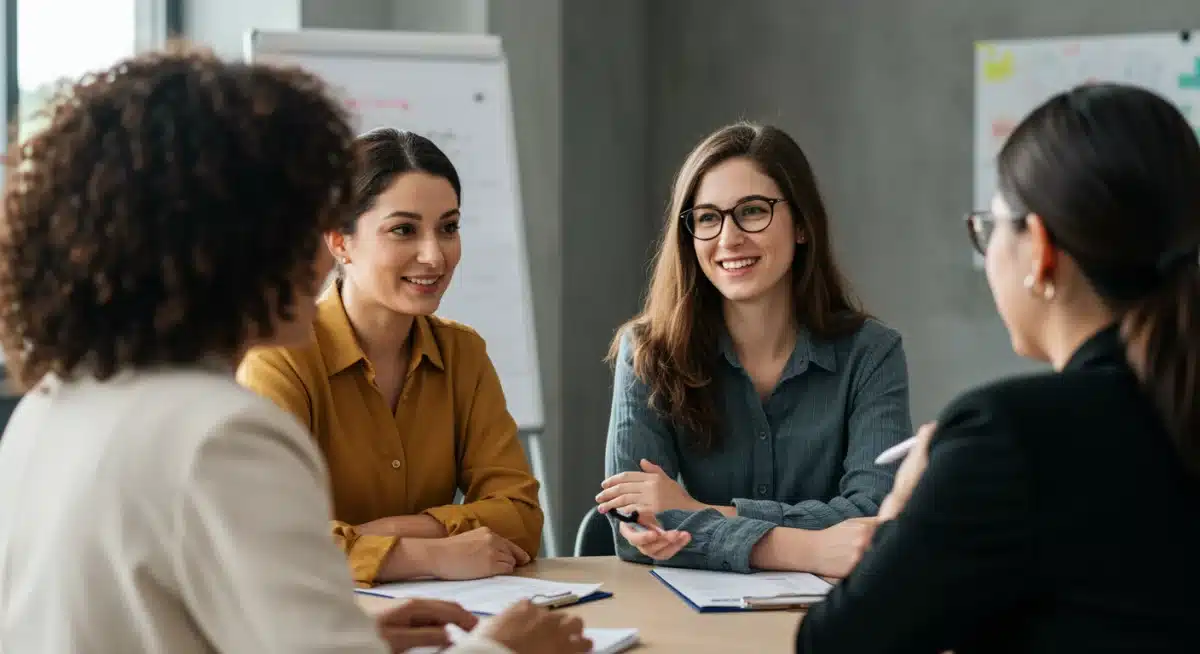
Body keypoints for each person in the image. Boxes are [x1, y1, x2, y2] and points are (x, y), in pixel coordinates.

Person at [0, 48, 588, 654]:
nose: (318, 254)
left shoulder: (48, 407)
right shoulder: (222, 435)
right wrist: (502, 651)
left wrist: (351, 634)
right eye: (306, 220)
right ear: (239, 243)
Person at [797, 83, 1200, 653]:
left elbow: (834, 645)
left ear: (1039, 249)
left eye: (989, 228)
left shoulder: (1008, 437)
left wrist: (902, 505)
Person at [598, 122, 912, 577]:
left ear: (802, 224)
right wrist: (808, 549)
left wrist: (699, 511)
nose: (728, 239)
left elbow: (874, 518)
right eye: (707, 217)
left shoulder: (872, 354)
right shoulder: (649, 351)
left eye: (752, 211)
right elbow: (636, 533)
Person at [237, 128, 542, 587]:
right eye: (403, 230)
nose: (434, 256)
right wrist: (429, 556)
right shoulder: (280, 359)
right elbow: (268, 539)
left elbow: (520, 515)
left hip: (442, 624)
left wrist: (387, 533)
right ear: (339, 240)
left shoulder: (463, 353)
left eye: (449, 228)